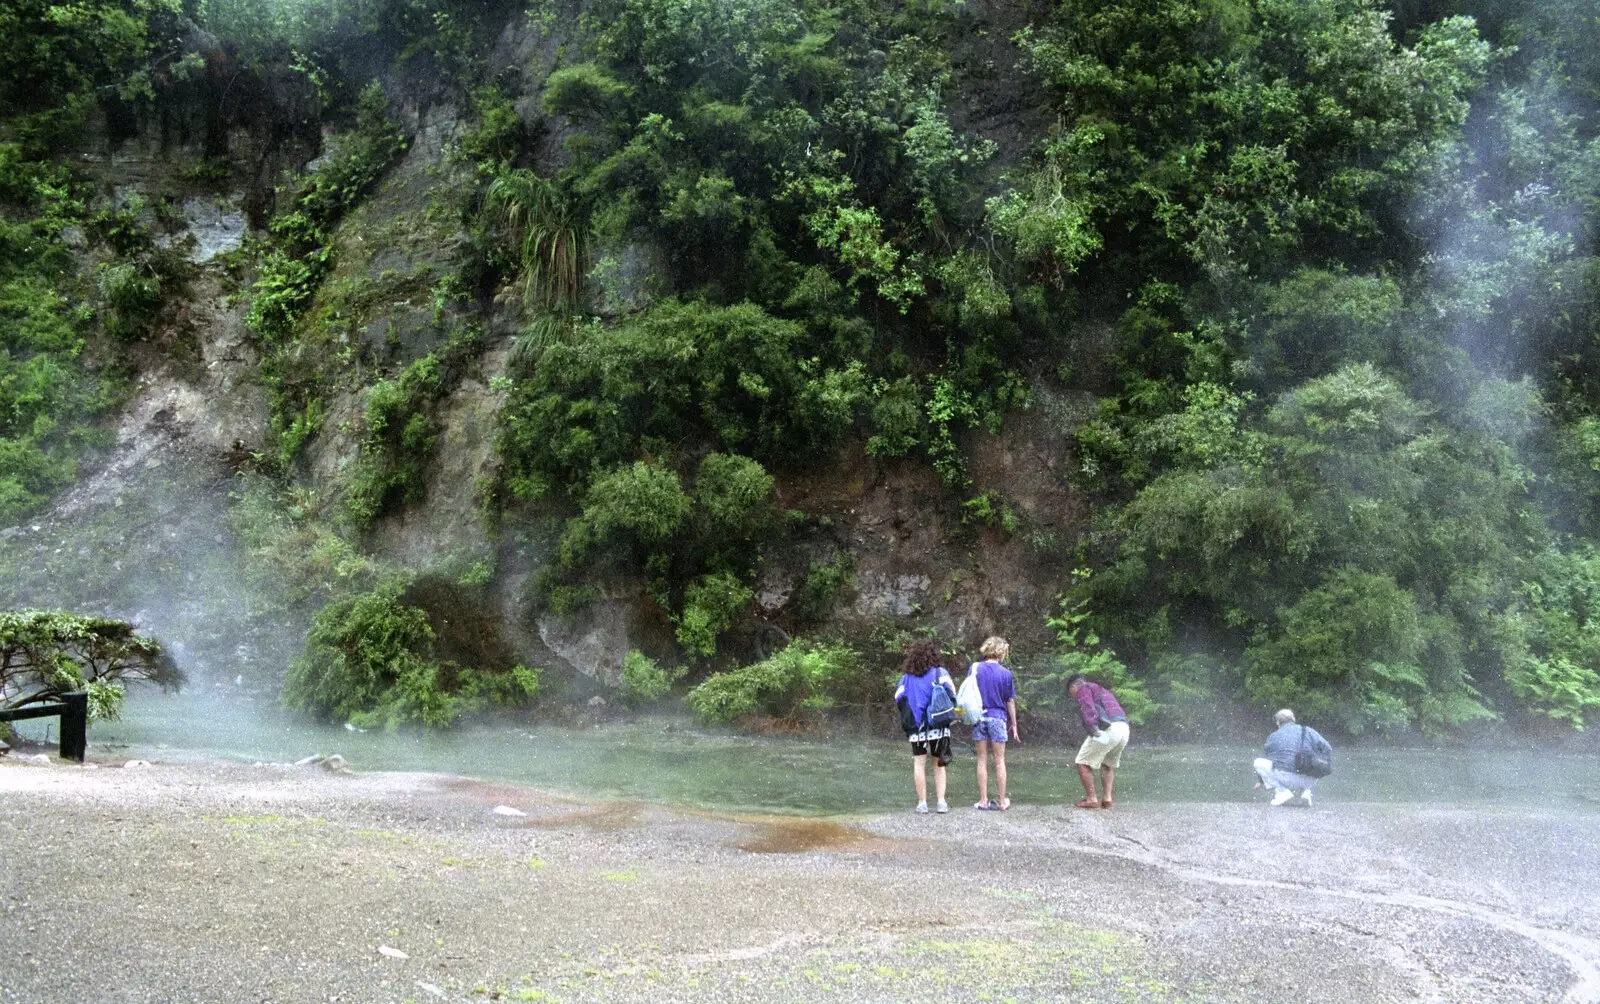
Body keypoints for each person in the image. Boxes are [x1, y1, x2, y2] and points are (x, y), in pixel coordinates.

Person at [894, 639, 956, 814]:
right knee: (938, 764)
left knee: (919, 763)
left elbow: (898, 697)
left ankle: (922, 803)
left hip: (916, 726)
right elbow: (952, 693)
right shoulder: (940, 673)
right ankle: (941, 802)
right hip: (938, 724)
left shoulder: (906, 678)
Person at [967, 636, 1019, 811]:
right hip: (998, 718)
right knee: (999, 761)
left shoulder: (975, 669)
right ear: (1001, 651)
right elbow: (1009, 700)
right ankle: (1002, 801)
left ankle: (983, 801)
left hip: (979, 717)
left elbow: (969, 693)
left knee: (981, 760)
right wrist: (1015, 725)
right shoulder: (1005, 673)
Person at [1067, 673, 1128, 809]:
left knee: (1082, 762)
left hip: (1108, 731)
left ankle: (1091, 799)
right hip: (1123, 730)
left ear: (1073, 686)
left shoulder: (1083, 688)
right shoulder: (1102, 690)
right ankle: (1107, 799)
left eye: (1071, 693)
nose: (1073, 697)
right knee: (1107, 764)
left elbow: (1088, 707)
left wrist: (1093, 728)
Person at [1254, 708, 1331, 806]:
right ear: (1293, 719)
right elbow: (1328, 749)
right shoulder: (1308, 731)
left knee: (1258, 762)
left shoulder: (1273, 736)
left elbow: (1267, 759)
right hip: (1310, 780)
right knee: (1312, 763)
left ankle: (1282, 792)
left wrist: (1260, 781)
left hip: (1286, 778)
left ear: (1278, 722)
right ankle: (1306, 793)